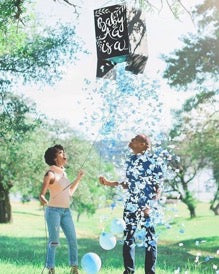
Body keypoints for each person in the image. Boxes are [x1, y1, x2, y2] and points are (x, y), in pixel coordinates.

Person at [99, 134, 162, 274]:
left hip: (147, 206)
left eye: (135, 140)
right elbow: (127, 184)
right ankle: (129, 271)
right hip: (131, 204)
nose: (131, 141)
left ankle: (150, 272)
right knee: (128, 237)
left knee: (150, 239)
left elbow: (158, 188)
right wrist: (109, 183)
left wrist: (150, 206)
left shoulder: (153, 162)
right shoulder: (131, 160)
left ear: (143, 144)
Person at [39, 144, 84, 274]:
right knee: (54, 241)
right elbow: (42, 192)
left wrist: (78, 179)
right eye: (60, 152)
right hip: (53, 211)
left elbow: (69, 193)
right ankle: (51, 268)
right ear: (54, 158)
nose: (64, 154)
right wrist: (42, 197)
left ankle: (74, 268)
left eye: (63, 151)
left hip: (66, 212)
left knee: (73, 240)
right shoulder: (51, 173)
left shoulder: (63, 174)